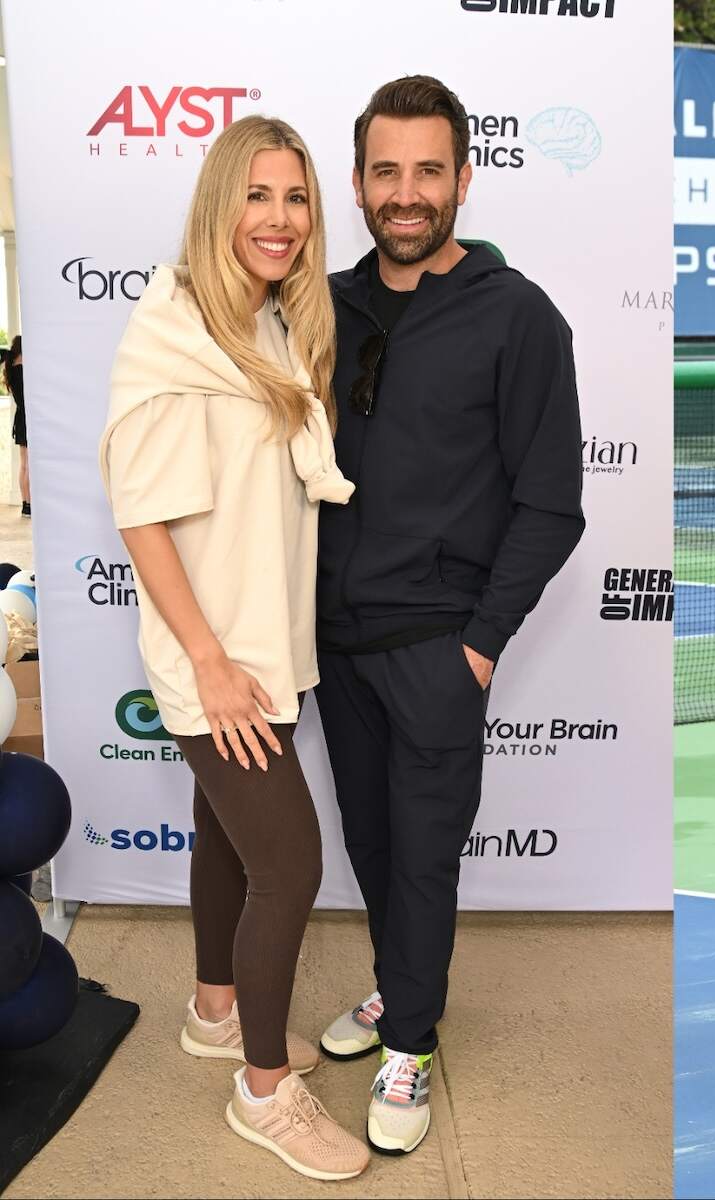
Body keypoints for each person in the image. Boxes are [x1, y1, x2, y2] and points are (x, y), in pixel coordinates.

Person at [309, 75, 584, 1158]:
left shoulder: (520, 317)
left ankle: (411, 1044)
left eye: (429, 170)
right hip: (334, 642)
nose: (408, 192)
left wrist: (478, 645)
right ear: (360, 182)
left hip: (438, 647)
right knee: (372, 845)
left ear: (465, 178)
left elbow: (552, 504)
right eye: (388, 171)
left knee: (423, 855)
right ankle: (396, 990)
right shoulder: (320, 303)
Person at [99, 115, 367, 1181]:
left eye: (296, 198)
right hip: (214, 657)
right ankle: (263, 1091)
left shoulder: (272, 328)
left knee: (225, 839)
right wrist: (209, 661)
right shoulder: (175, 329)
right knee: (291, 863)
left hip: (269, 645)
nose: (280, 219)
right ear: (220, 204)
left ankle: (217, 1010)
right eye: (258, 196)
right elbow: (141, 519)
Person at [8, 335, 27, 515]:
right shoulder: (23, 368)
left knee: (23, 464)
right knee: (29, 464)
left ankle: (25, 503)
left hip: (20, 417)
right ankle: (30, 502)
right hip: (28, 417)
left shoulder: (11, 367)